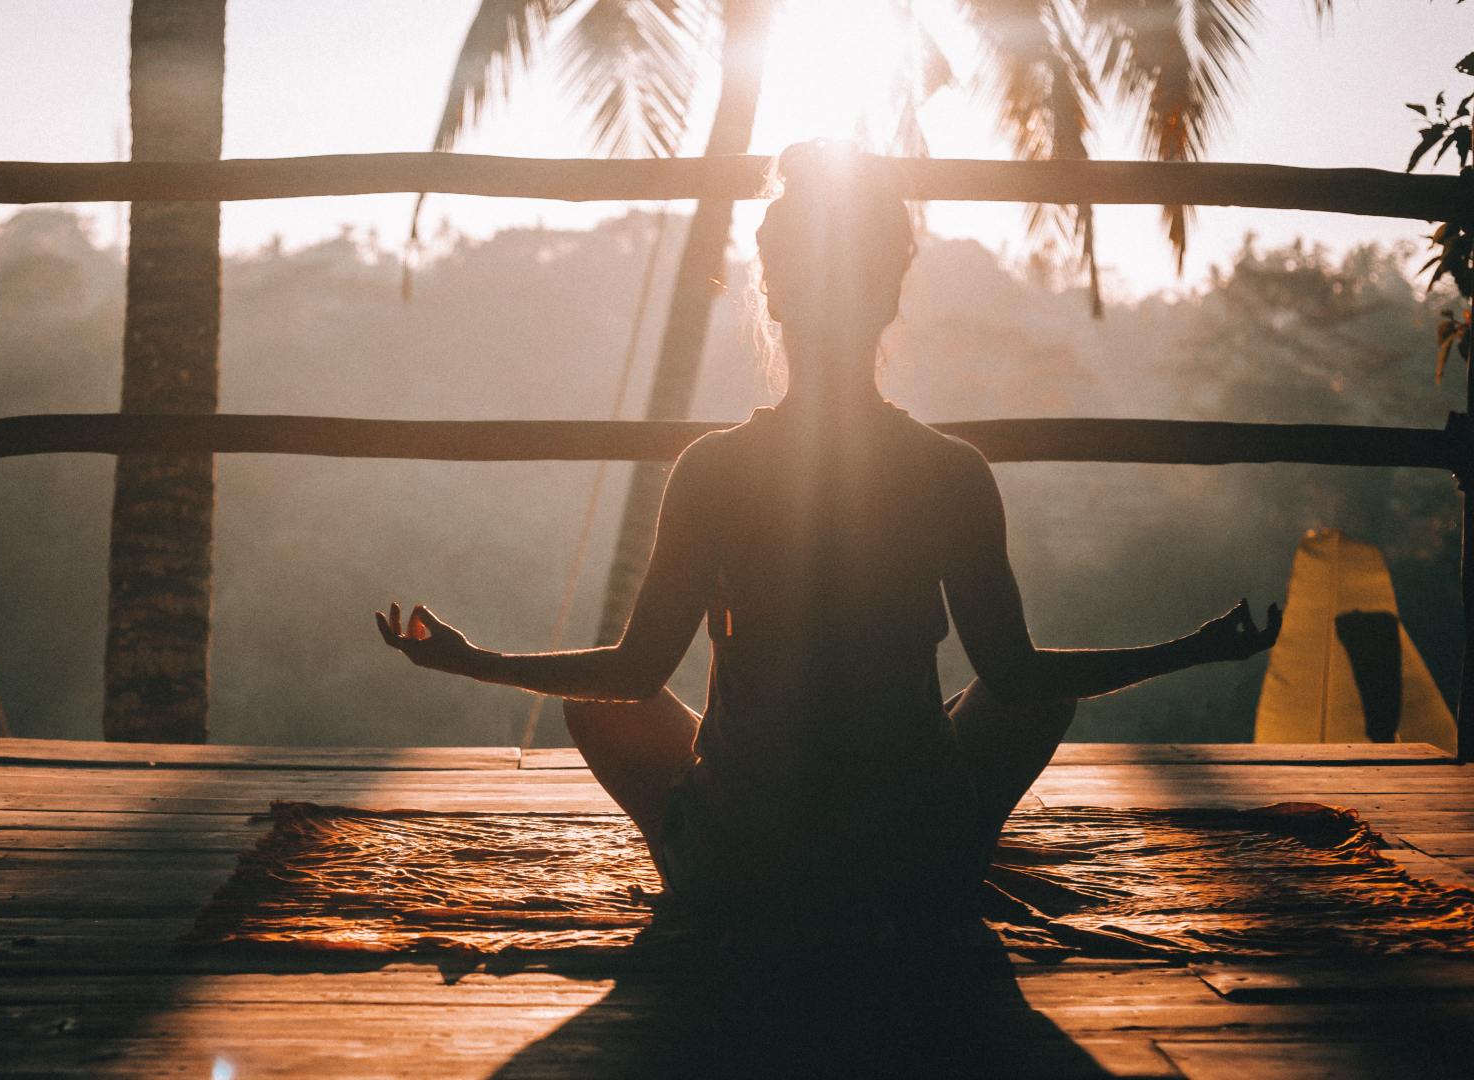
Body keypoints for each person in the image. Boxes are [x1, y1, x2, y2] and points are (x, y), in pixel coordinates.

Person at [376, 139, 1281, 935]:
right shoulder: (950, 470)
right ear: (889, 298)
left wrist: (472, 659)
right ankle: (949, 851)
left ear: (773, 298)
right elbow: (1018, 677)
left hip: (749, 872)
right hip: (911, 867)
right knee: (1036, 694)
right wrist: (1192, 650)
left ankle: (702, 870)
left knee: (598, 705)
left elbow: (634, 674)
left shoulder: (714, 468)